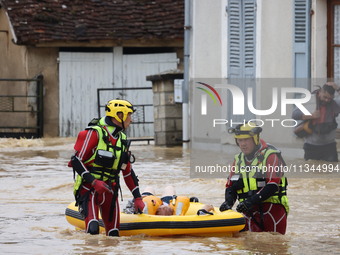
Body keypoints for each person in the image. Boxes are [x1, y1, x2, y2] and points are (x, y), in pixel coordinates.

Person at [68, 99, 145, 236]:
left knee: (114, 235)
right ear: (119, 115)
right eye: (129, 115)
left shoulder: (122, 139)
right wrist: (93, 181)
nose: (131, 120)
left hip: (111, 191)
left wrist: (137, 198)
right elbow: (75, 161)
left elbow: (127, 172)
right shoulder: (93, 134)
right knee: (93, 230)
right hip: (90, 190)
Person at [219, 123, 289, 235]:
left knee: (274, 245)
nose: (243, 144)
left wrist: (250, 201)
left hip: (272, 211)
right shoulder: (238, 160)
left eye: (246, 140)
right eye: (239, 140)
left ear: (255, 139)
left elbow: (273, 185)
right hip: (249, 212)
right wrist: (228, 203)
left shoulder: (271, 156)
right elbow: (231, 186)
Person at [292, 82, 340, 162]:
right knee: (311, 172)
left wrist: (338, 88)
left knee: (332, 172)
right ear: (320, 92)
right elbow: (295, 114)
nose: (327, 100)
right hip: (311, 147)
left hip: (330, 147)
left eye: (329, 98)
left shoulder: (334, 104)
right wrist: (311, 115)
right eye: (325, 97)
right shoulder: (309, 101)